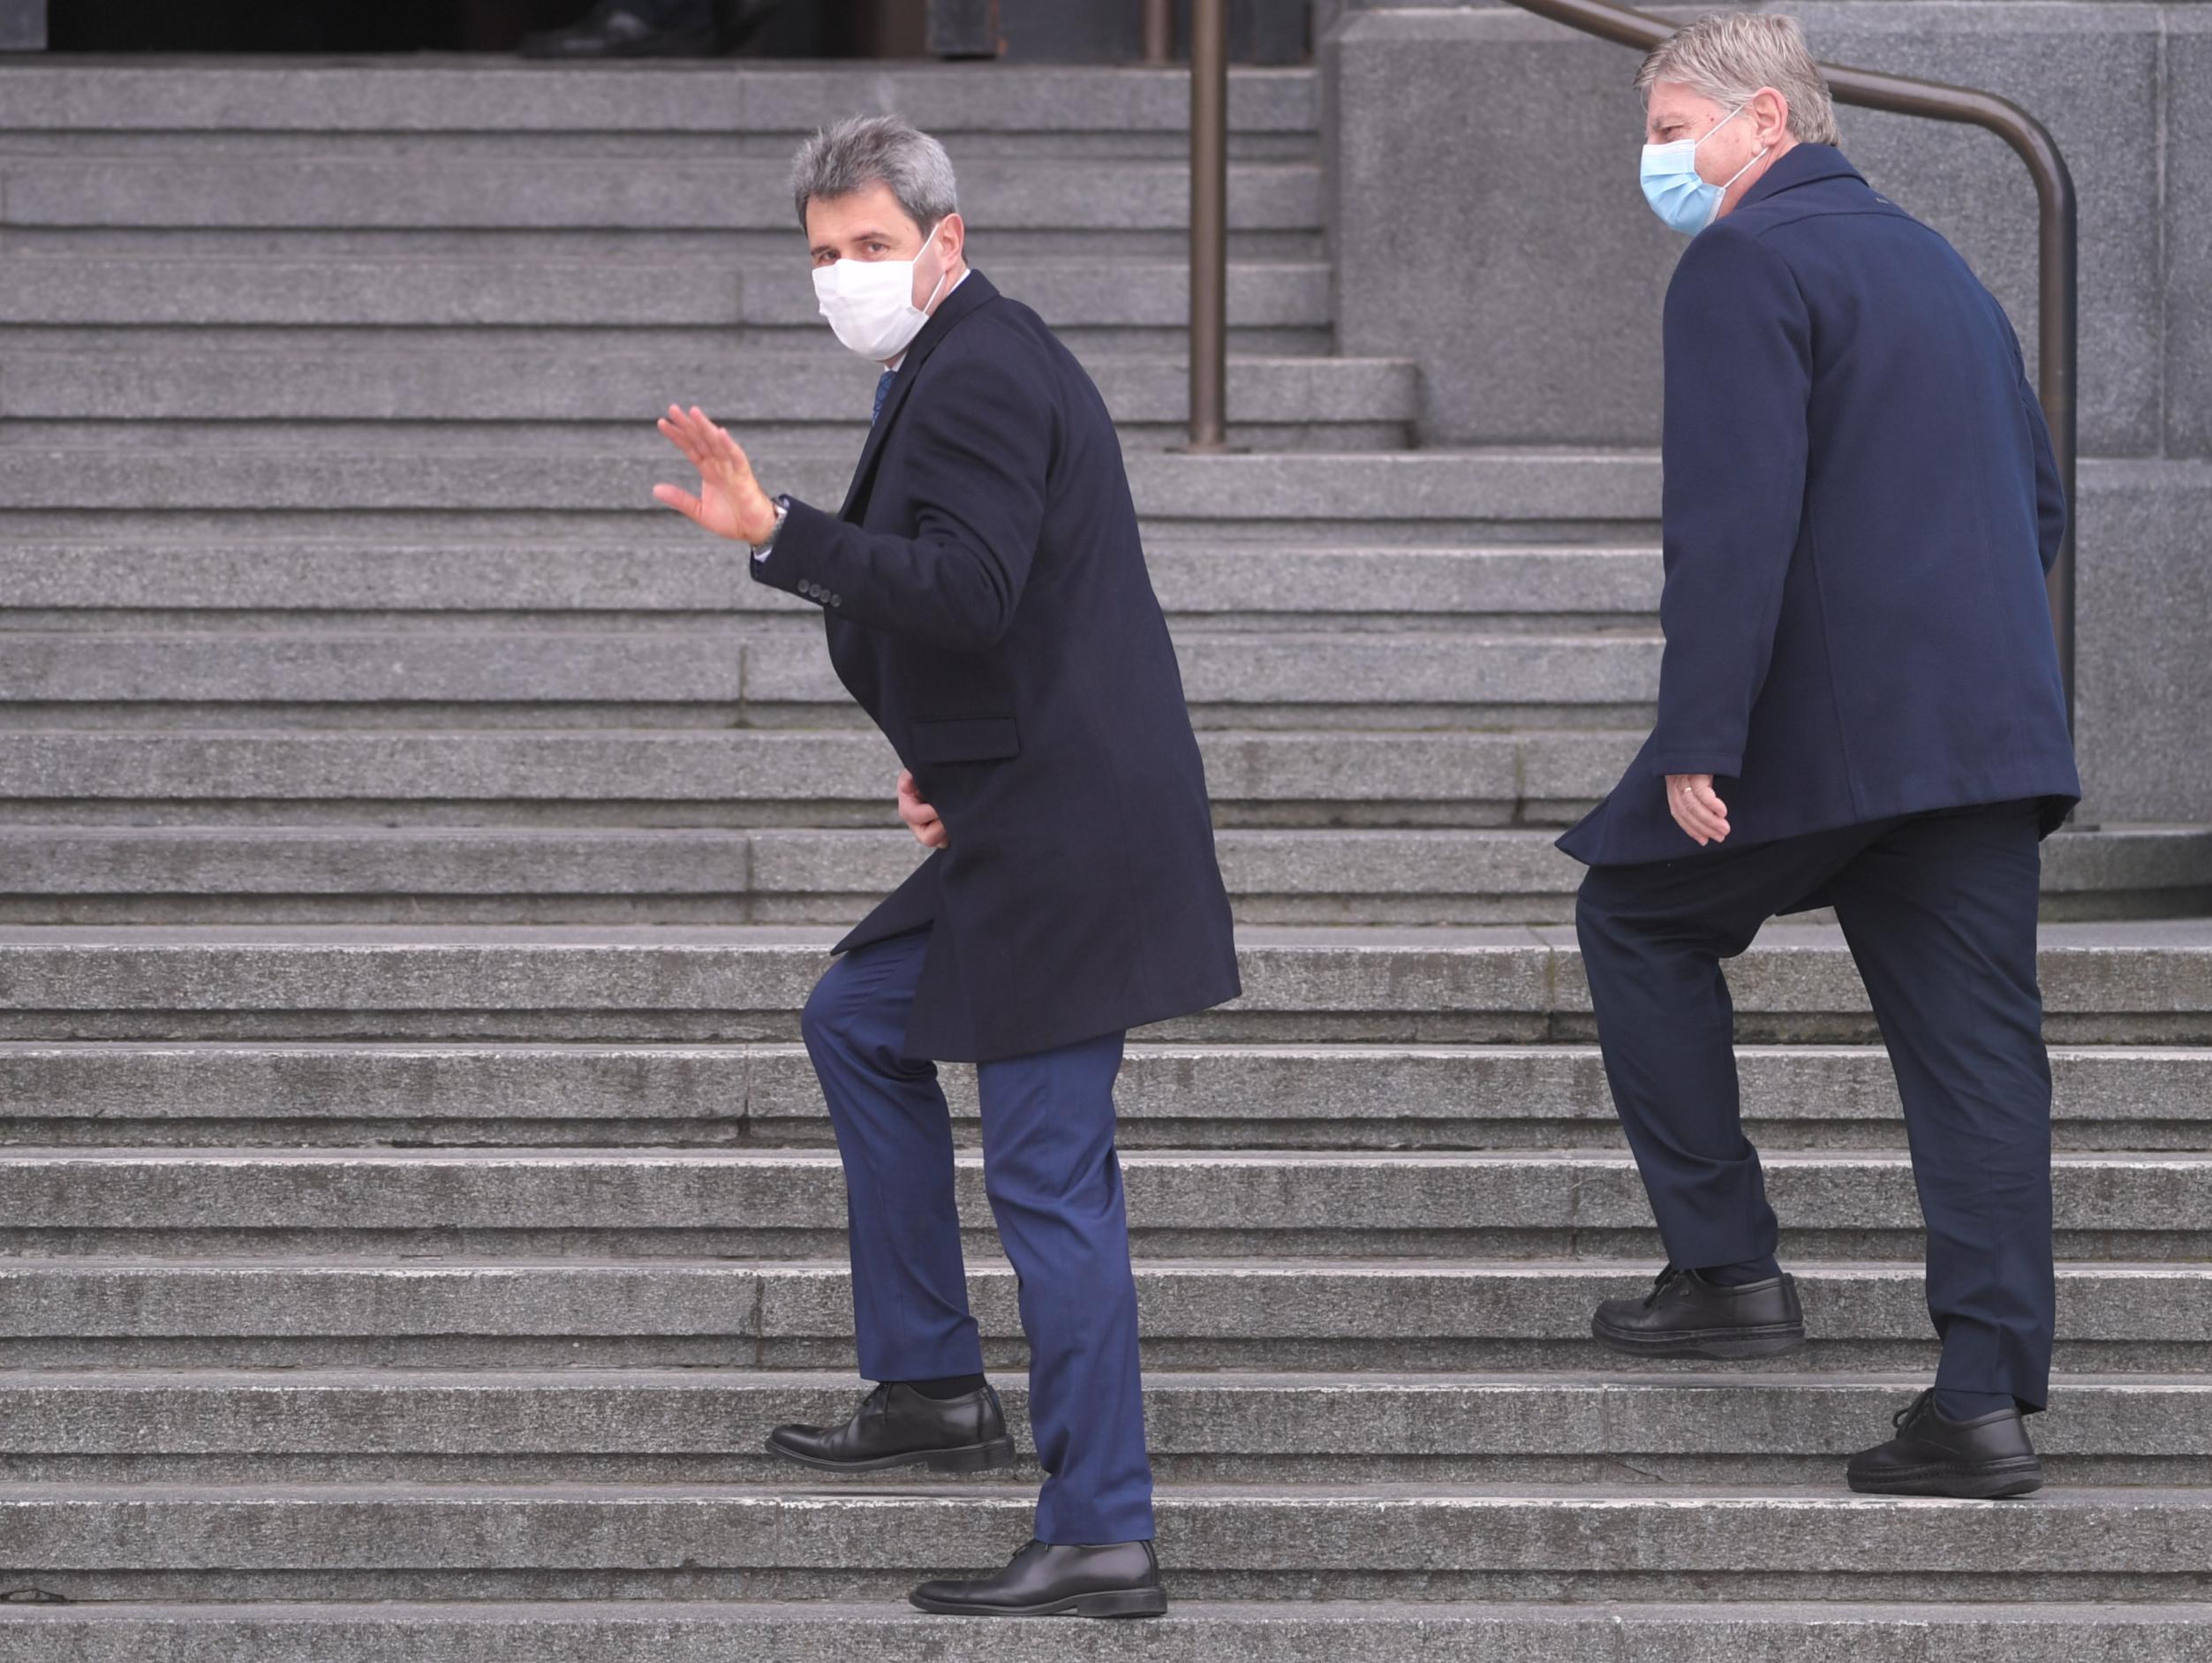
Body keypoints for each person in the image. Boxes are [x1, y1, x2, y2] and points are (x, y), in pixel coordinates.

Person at [653, 114, 1240, 1615]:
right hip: (1026, 803)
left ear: (947, 242)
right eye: (823, 253)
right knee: (858, 1018)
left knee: (1048, 1175)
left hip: (1068, 835)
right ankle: (927, 1382)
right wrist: (955, 758)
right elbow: (1009, 603)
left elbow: (969, 590)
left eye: (872, 245)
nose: (843, 275)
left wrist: (781, 528)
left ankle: (1101, 1528)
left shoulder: (979, 366)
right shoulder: (955, 359)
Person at [1559, 13, 2080, 1500]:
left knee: (1633, 915)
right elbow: (2039, 502)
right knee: (1978, 1064)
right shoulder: (1939, 264)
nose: (1656, 158)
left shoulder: (1742, 262)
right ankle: (1980, 1404)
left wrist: (1697, 735)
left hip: (1832, 730)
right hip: (1984, 731)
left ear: (1767, 123)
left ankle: (1725, 1271)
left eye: (1672, 130)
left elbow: (1729, 524)